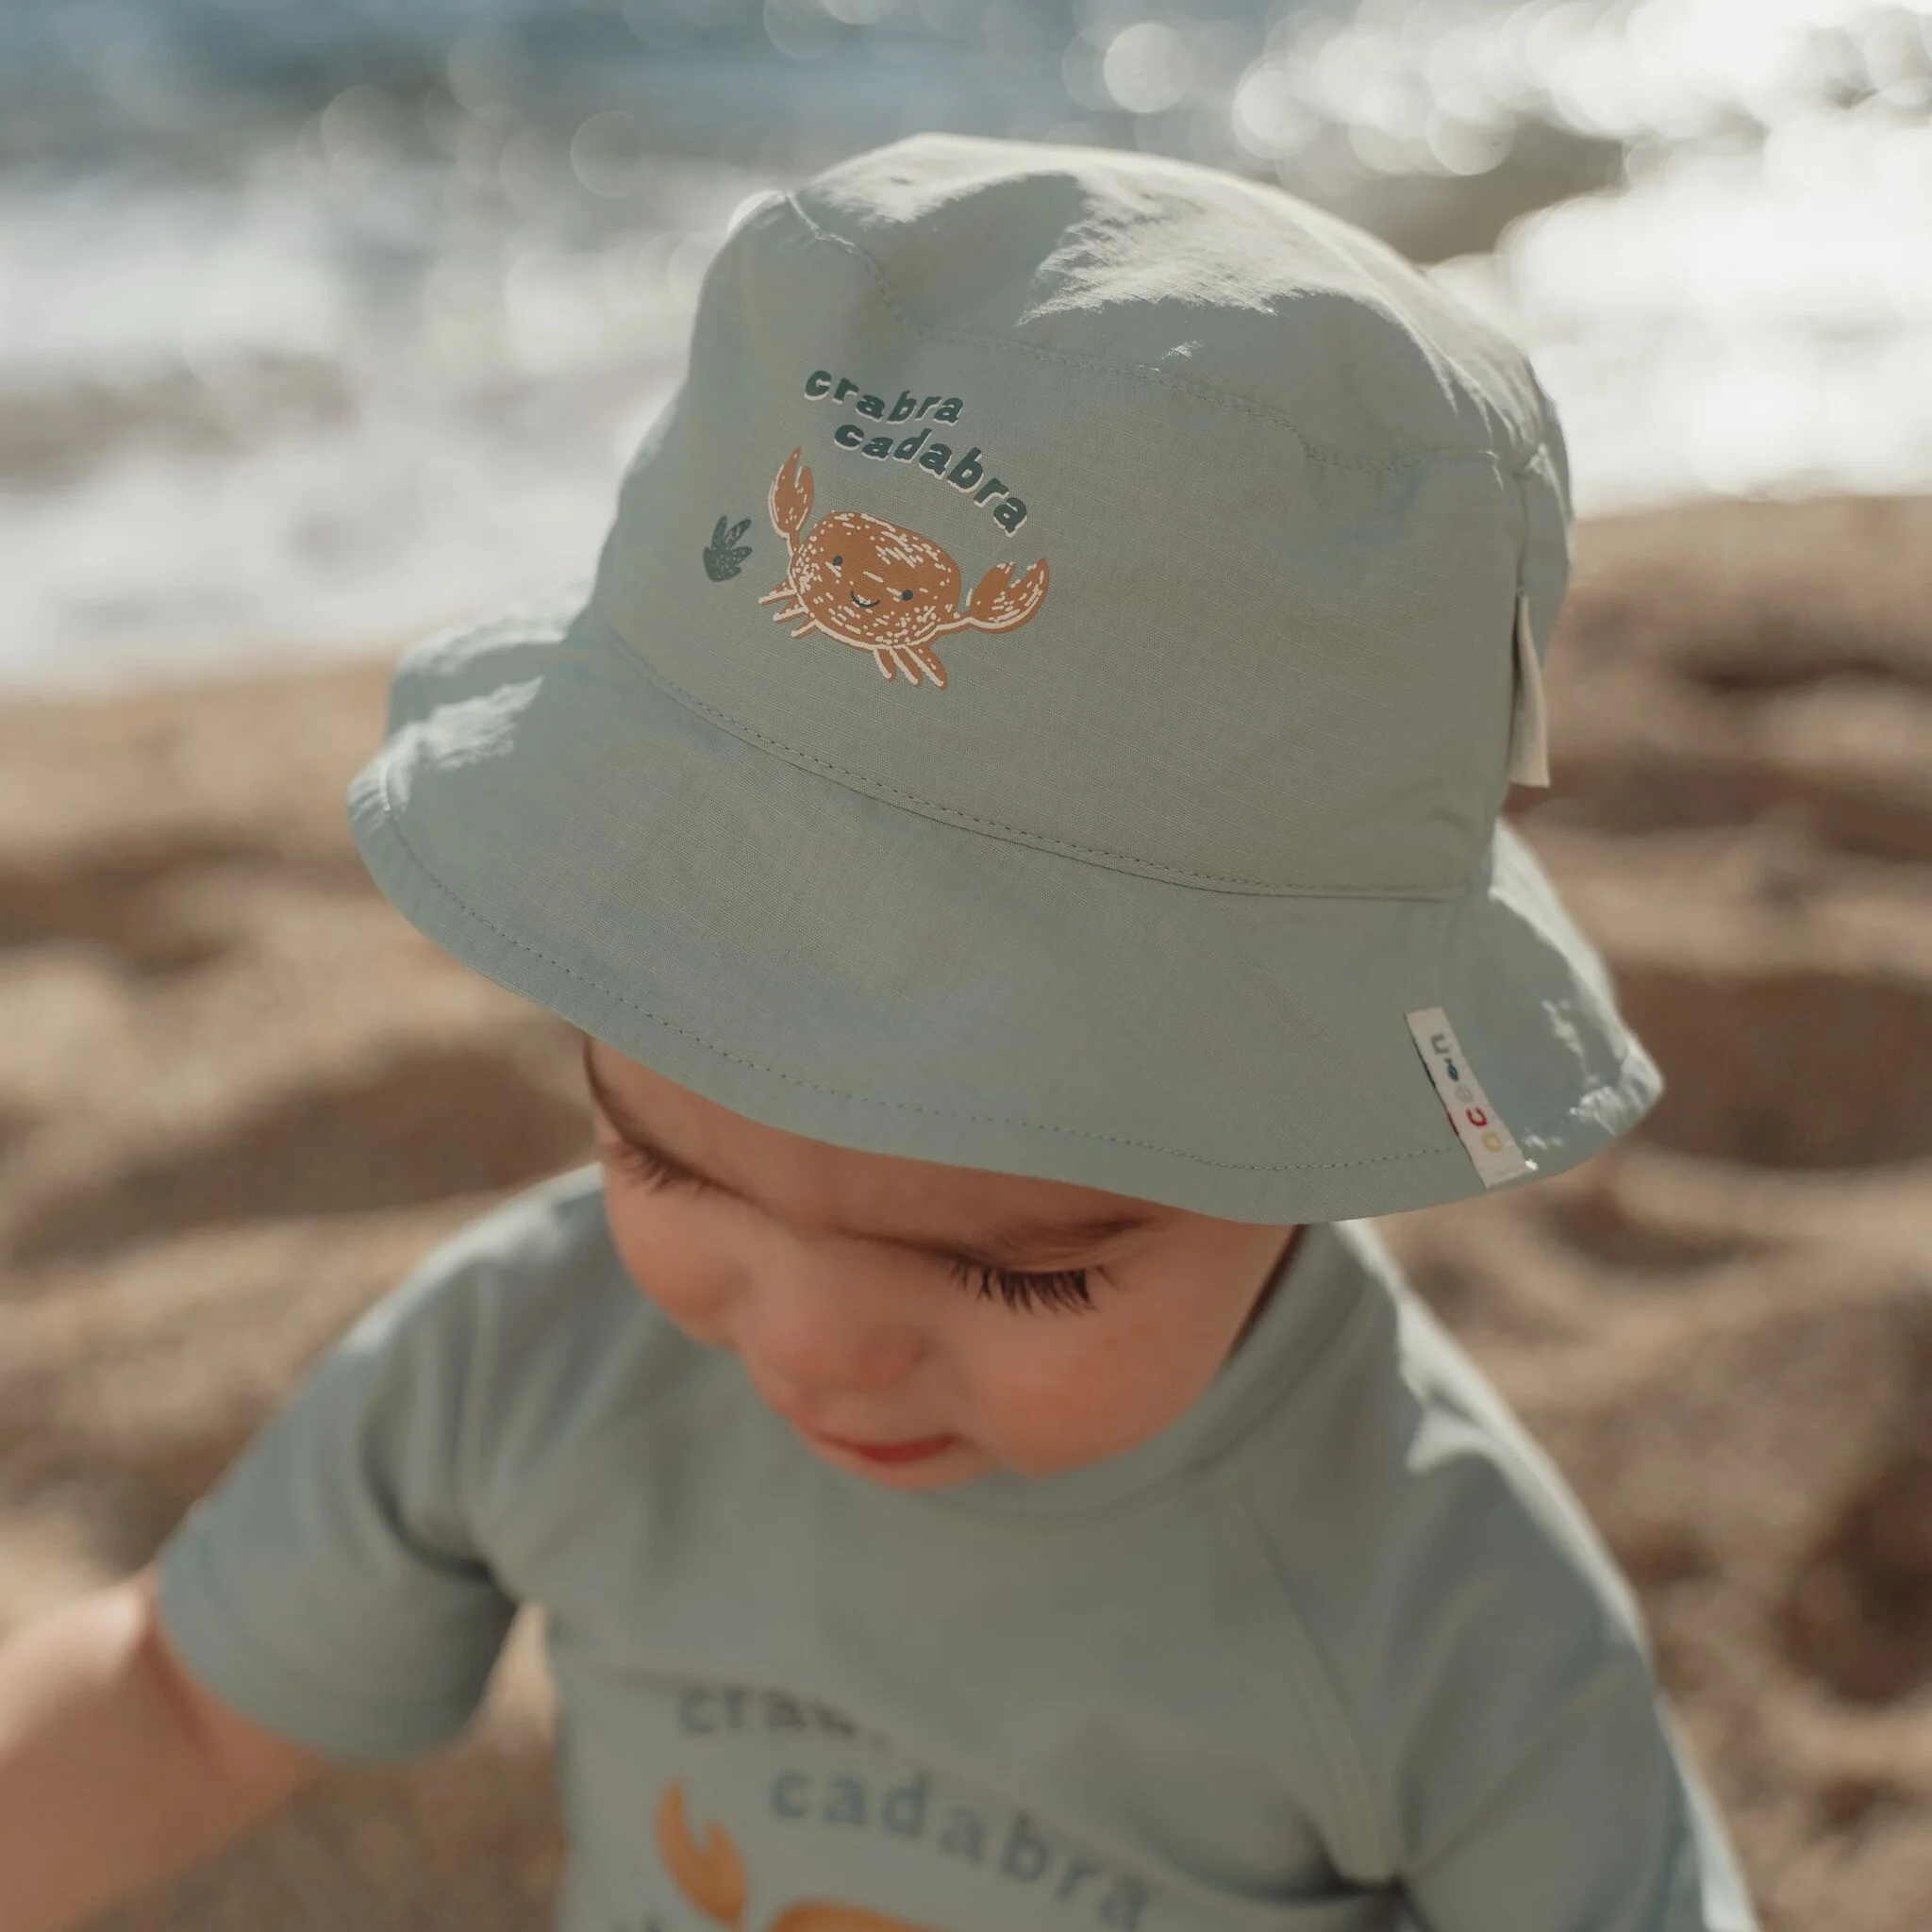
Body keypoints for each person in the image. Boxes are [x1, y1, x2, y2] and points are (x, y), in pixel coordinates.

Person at [0, 132, 1758, 1932]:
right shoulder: (537, 1361)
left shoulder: (1435, 1599)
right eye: (663, 1155)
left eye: (1018, 1275)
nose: (821, 1354)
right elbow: (173, 1703)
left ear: (1314, 1123)